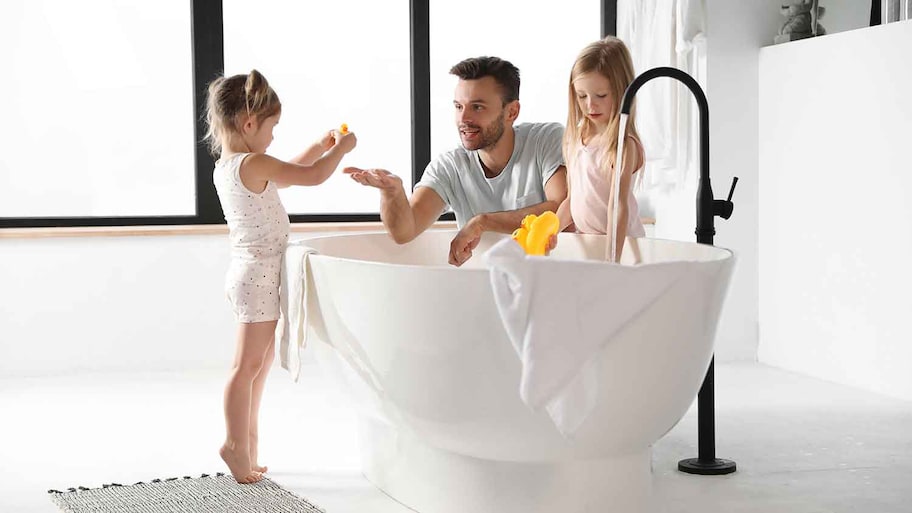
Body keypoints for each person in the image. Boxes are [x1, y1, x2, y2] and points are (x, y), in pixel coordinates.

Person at [204, 69, 356, 483]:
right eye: (272, 127)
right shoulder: (252, 162)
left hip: (253, 274)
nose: (273, 136)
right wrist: (341, 150)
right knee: (246, 366)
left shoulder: (235, 164)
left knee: (258, 363)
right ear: (249, 123)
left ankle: (247, 444)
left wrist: (318, 146)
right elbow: (311, 176)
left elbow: (288, 169)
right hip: (255, 276)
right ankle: (235, 444)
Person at [345, 56, 567, 266]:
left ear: (512, 112)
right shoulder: (450, 167)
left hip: (549, 283)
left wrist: (483, 222)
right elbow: (405, 231)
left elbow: (560, 206)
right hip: (484, 286)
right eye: (459, 106)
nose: (464, 119)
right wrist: (392, 194)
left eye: (477, 107)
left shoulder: (545, 140)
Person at [553, 36, 645, 261]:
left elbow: (618, 207)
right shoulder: (576, 137)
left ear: (622, 90)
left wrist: (612, 260)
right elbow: (573, 200)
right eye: (582, 96)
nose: (590, 105)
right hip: (588, 244)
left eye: (600, 96)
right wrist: (551, 230)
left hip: (621, 248)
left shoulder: (623, 144)